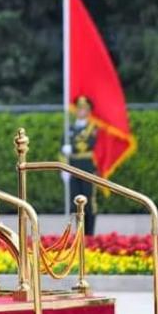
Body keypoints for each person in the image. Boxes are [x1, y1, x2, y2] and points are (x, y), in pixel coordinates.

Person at [62, 95, 99, 236]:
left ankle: (90, 233)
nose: (80, 112)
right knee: (76, 202)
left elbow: (89, 143)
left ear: (88, 111)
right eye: (78, 109)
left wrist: (73, 148)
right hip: (72, 167)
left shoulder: (92, 127)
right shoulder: (70, 128)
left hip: (87, 168)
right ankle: (79, 233)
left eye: (83, 109)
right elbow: (62, 146)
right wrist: (64, 167)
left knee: (89, 202)